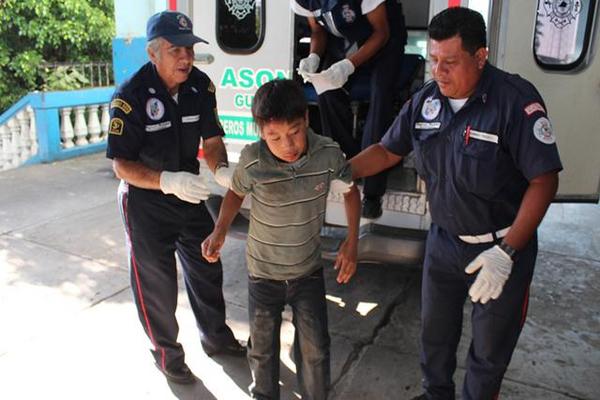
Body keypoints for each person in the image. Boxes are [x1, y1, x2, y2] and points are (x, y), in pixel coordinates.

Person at [343, 7, 562, 400]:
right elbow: (386, 150)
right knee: (435, 336)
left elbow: (544, 180)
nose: (438, 72)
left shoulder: (514, 101)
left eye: (450, 62)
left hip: (501, 247)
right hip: (443, 244)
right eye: (433, 61)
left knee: (489, 352)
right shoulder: (426, 101)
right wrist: (342, 171)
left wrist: (507, 251)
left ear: (481, 57)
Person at [105, 10, 244, 385]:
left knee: (207, 265)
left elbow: (212, 141)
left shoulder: (201, 85)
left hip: (188, 193)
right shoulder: (130, 96)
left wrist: (220, 170)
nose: (185, 57)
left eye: (189, 49)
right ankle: (167, 354)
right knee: (157, 283)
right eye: (175, 50)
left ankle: (216, 338)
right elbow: (122, 165)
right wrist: (166, 180)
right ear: (153, 53)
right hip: (145, 200)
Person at [201, 79, 361, 400]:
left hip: (308, 272)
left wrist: (352, 242)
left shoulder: (328, 154)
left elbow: (350, 193)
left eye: (294, 132)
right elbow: (235, 192)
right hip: (263, 275)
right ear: (260, 132)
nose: (286, 144)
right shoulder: (252, 160)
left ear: (307, 119)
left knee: (316, 350)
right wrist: (219, 230)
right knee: (261, 351)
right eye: (274, 137)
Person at [291, 0, 408, 219]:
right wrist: (314, 57)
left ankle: (373, 192)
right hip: (344, 42)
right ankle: (347, 165)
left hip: (384, 41)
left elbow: (381, 32)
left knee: (380, 96)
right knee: (325, 91)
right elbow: (317, 29)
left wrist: (348, 65)